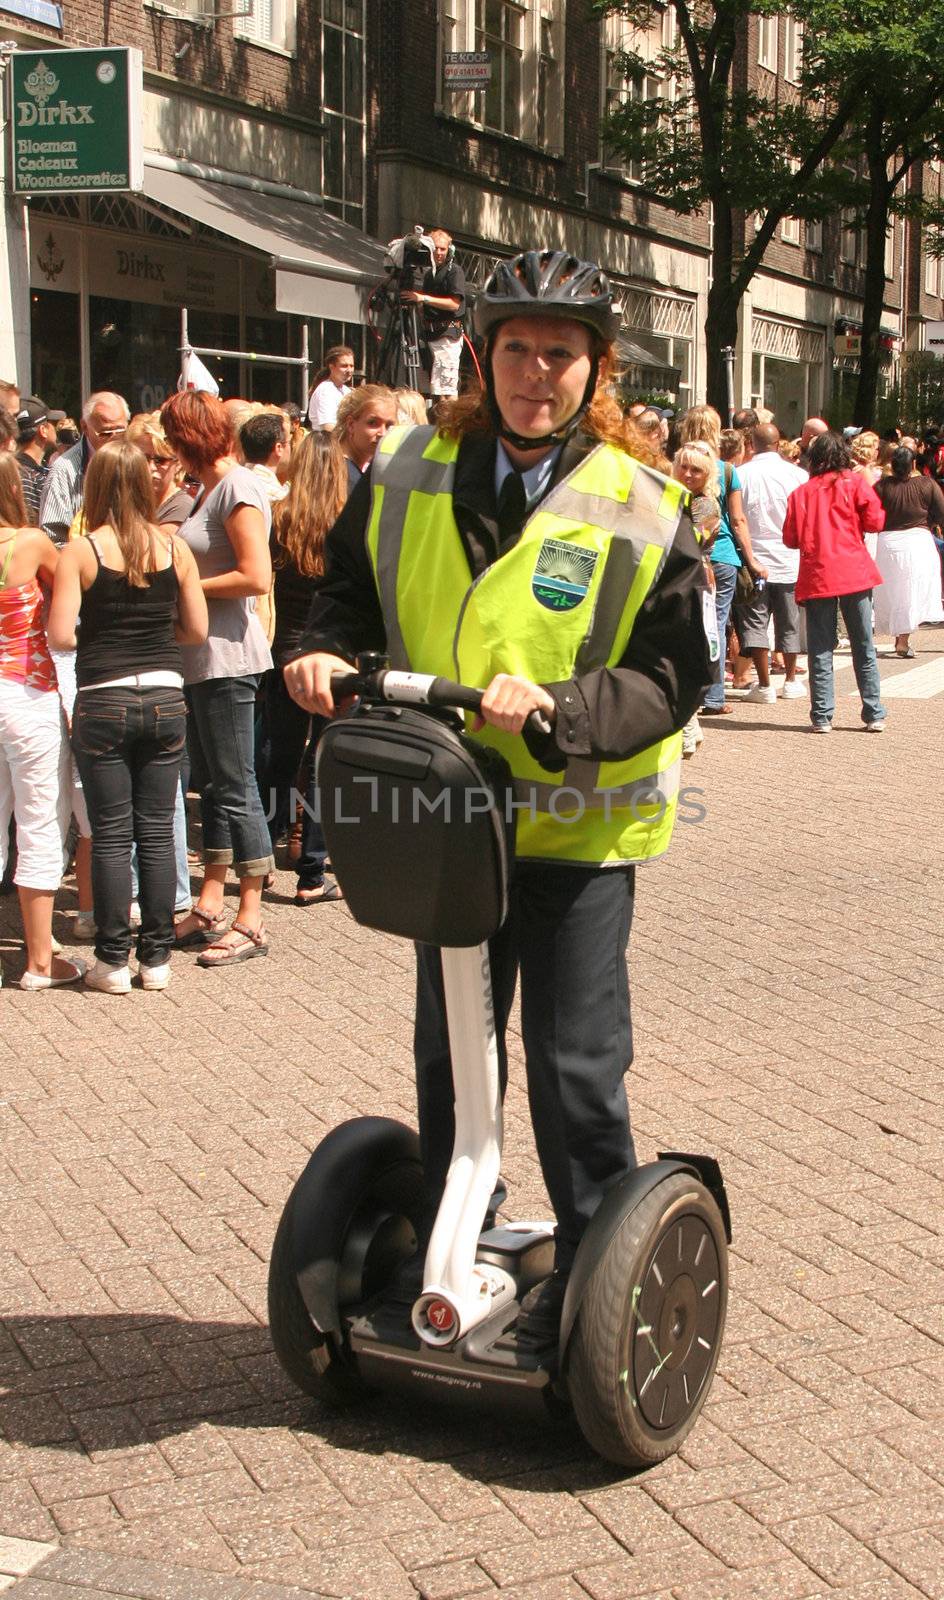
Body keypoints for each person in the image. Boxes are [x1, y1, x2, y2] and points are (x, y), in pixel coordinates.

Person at [284, 247, 713, 1336]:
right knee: (453, 1046)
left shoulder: (639, 499)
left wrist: (565, 709)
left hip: (575, 823)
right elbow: (339, 587)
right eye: (516, 349)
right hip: (444, 817)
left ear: (595, 369)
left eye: (559, 354)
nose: (536, 372)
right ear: (481, 356)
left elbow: (673, 672)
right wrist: (320, 649)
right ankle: (449, 1221)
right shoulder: (412, 465)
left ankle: (587, 1265)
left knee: (572, 1060)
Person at [48, 442, 208, 993]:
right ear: (146, 483)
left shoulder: (81, 551)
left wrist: (101, 631)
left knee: (112, 835)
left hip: (103, 696)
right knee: (158, 831)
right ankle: (156, 960)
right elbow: (196, 630)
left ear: (93, 486)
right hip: (166, 694)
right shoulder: (172, 547)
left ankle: (112, 962)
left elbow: (60, 633)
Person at [160, 391, 276, 967]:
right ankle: (210, 902)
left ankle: (251, 918)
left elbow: (256, 575)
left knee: (236, 784)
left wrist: (184, 588)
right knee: (218, 787)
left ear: (187, 437)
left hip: (229, 660)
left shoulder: (237, 487)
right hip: (205, 660)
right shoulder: (210, 488)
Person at [0, 457, 84, 990]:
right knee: (38, 823)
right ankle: (38, 962)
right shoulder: (28, 543)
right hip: (27, 694)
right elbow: (73, 590)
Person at [256, 431, 347, 905]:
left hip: (283, 652)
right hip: (332, 656)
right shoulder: (348, 522)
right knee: (321, 759)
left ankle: (261, 858)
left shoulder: (279, 517)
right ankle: (312, 872)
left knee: (281, 756)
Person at [782, 431, 887, 733]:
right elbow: (875, 521)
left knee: (820, 647)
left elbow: (790, 538)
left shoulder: (801, 493)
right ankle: (873, 711)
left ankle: (822, 715)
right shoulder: (854, 484)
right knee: (863, 643)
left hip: (818, 573)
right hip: (854, 570)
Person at [676, 406, 766, 713]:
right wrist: (752, 560)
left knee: (685, 624)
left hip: (685, 556)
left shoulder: (676, 465)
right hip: (722, 556)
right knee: (714, 626)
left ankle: (688, 693)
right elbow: (738, 519)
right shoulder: (726, 470)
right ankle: (714, 696)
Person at [736, 422, 808, 704]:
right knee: (788, 621)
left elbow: (737, 517)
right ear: (779, 444)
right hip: (789, 557)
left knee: (755, 621)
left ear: (751, 444)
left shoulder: (741, 475)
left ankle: (764, 684)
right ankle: (790, 680)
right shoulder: (798, 476)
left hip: (754, 558)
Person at [872, 446, 944, 655]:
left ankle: (900, 638)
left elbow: (869, 512)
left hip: (887, 543)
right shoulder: (927, 485)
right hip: (917, 542)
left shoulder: (881, 486)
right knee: (911, 592)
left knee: (894, 592)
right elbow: (941, 512)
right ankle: (902, 640)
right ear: (913, 464)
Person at [39, 391, 129, 545]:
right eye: (105, 433)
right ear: (85, 427)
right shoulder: (64, 469)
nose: (114, 437)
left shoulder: (136, 461)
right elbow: (53, 538)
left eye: (120, 431)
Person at [400, 227, 467, 401]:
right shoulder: (430, 274)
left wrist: (423, 298)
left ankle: (451, 426)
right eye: (435, 248)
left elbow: (454, 304)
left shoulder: (454, 271)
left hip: (446, 337)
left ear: (450, 249)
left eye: (442, 249)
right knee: (434, 390)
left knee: (446, 393)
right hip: (430, 335)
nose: (438, 253)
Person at [335, 384, 398, 491]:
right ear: (351, 424)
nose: (382, 433)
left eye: (389, 426)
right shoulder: (342, 476)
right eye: (372, 423)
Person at [15, 397, 65, 520]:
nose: (57, 428)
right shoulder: (24, 475)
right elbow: (29, 524)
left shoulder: (34, 470)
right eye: (53, 423)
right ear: (43, 430)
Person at [307, 347, 355, 431]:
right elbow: (328, 428)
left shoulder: (347, 391)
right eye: (344, 366)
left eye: (351, 366)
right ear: (332, 367)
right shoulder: (325, 390)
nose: (349, 370)